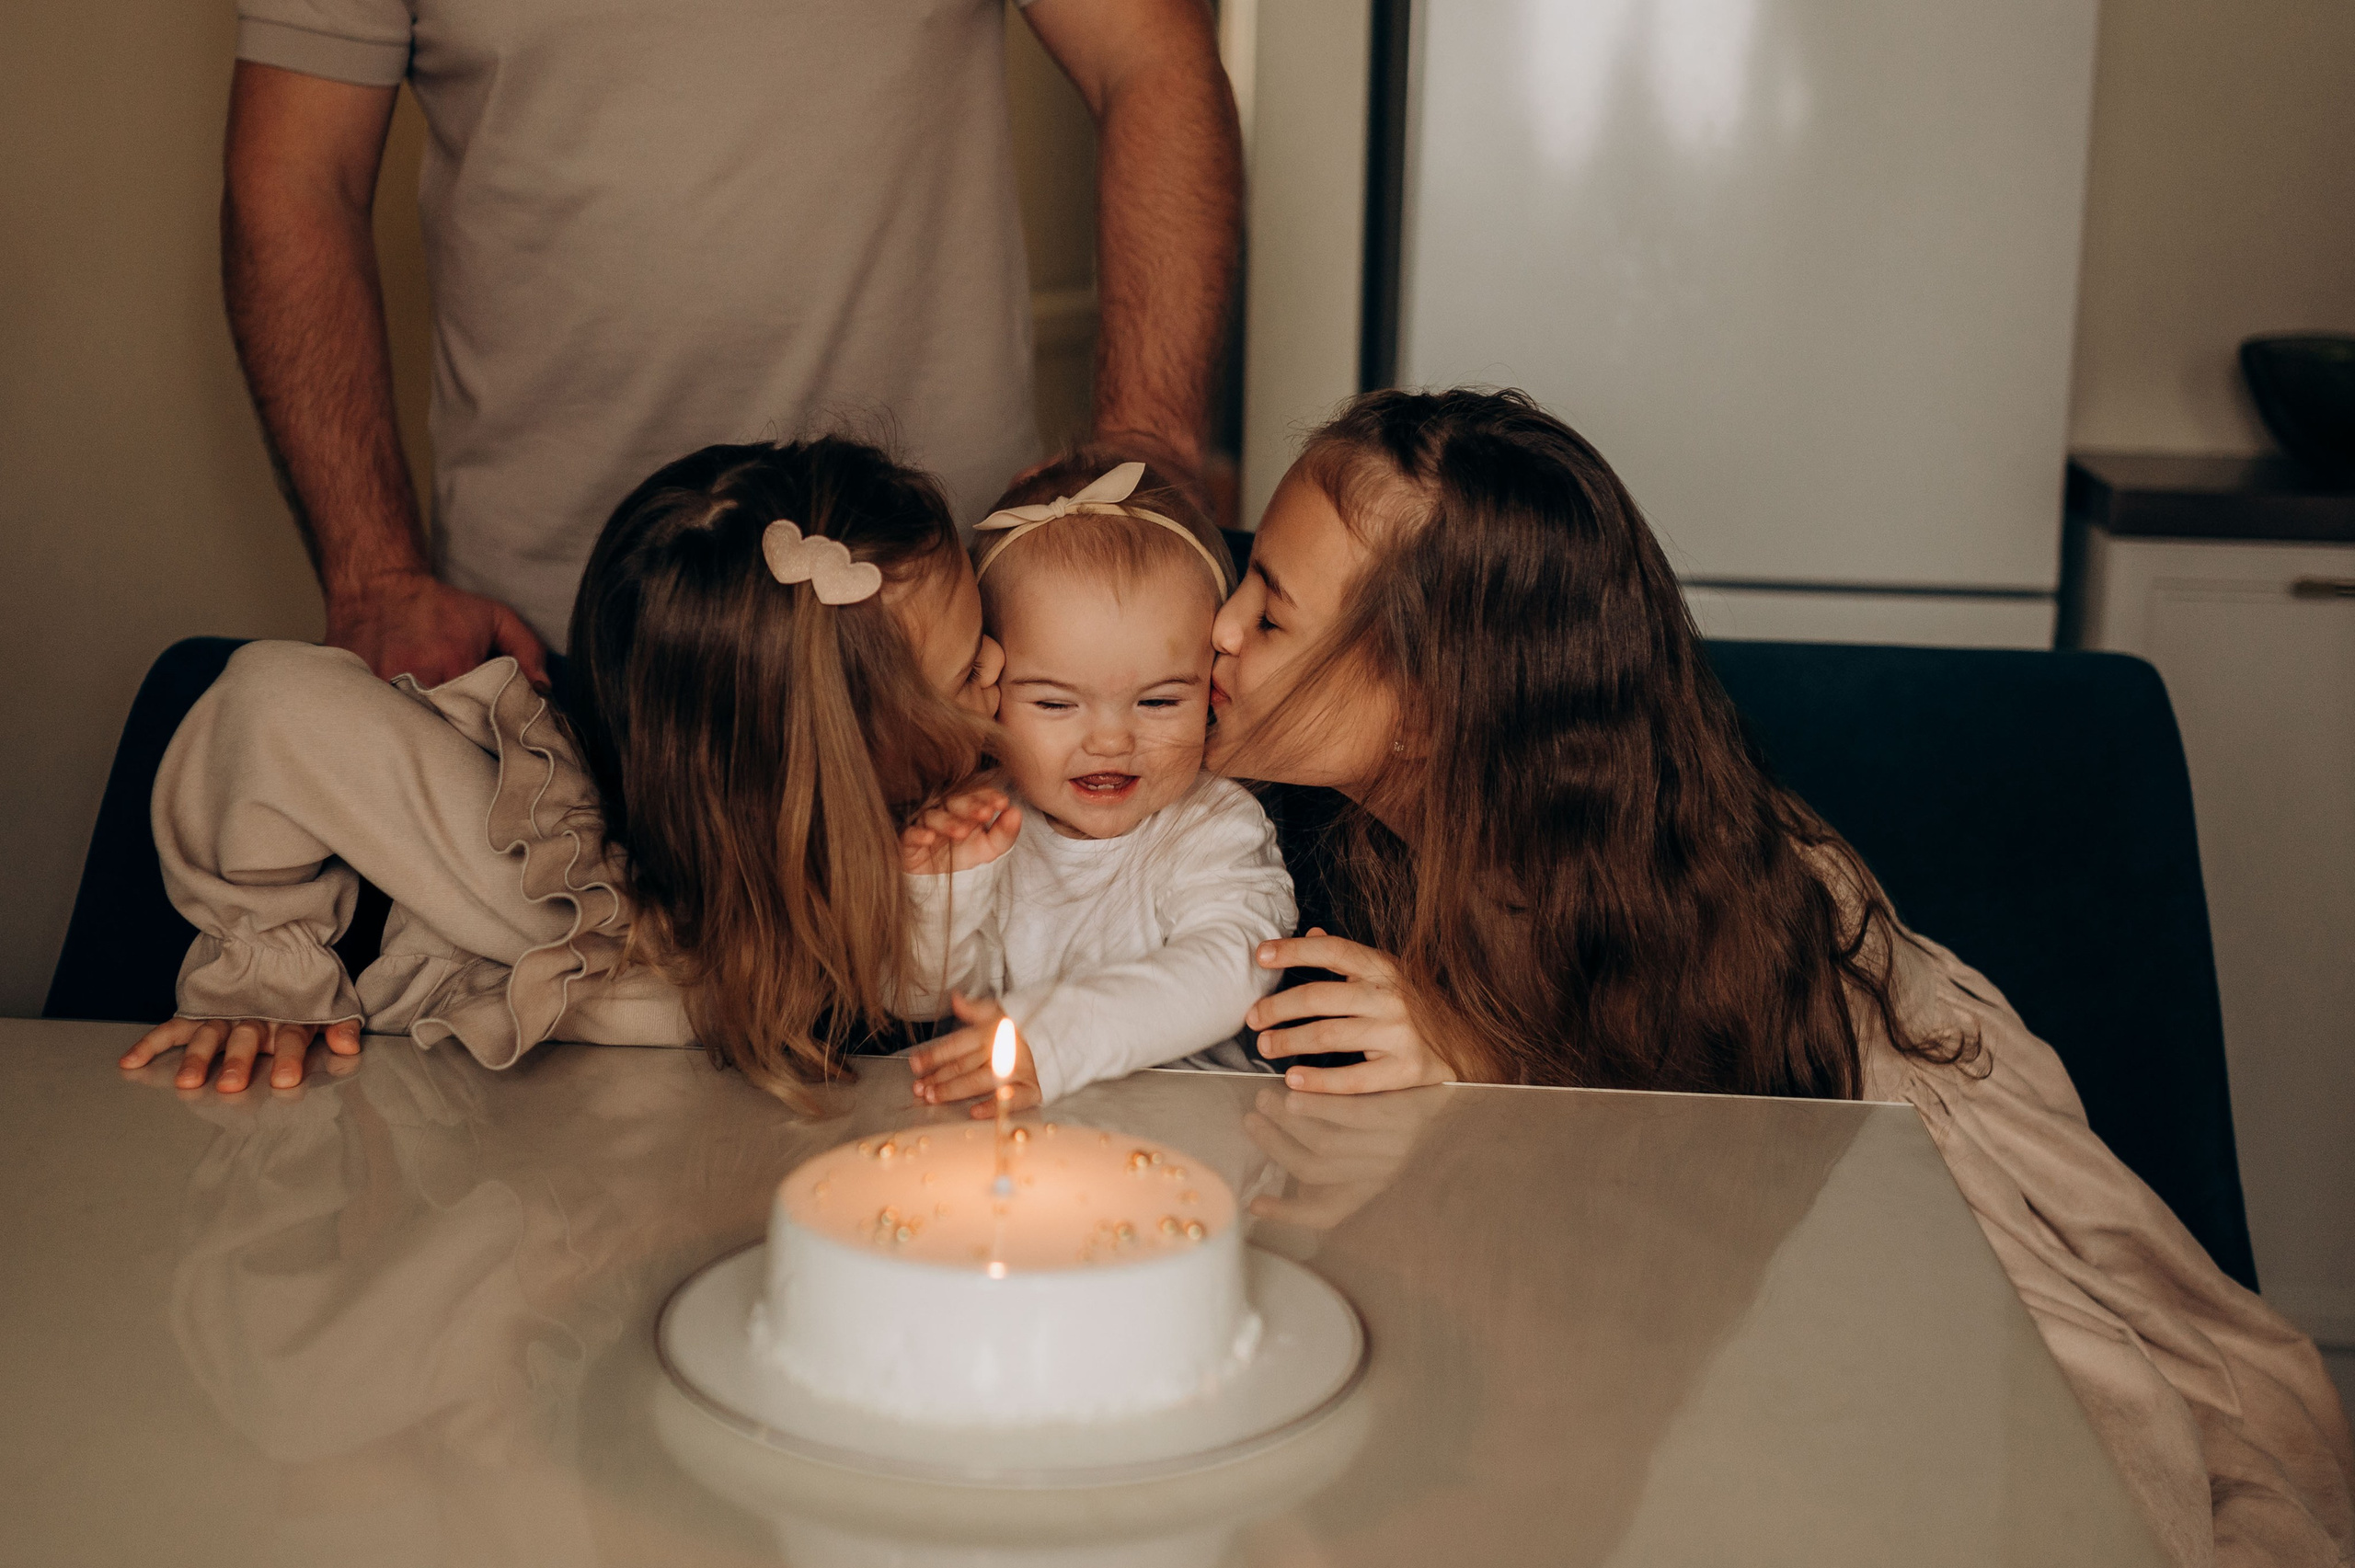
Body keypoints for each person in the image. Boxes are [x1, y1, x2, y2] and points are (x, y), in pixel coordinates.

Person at [1208, 388, 2354, 1568]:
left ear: (1428, 707)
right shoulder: (1303, 815)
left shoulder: (1663, 879)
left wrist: (1485, 1045)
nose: (1217, 630)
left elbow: (1749, 1120)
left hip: (1871, 1145)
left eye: (1270, 616)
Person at [223, 0, 1242, 687]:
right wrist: (373, 578)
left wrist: (1149, 437)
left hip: (943, 632)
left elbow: (1149, 56)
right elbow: (295, 184)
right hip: (550, 655)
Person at [121, 437, 1004, 1106]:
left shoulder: (965, 820)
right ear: (829, 764)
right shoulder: (528, 862)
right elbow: (272, 708)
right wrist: (262, 961)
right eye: (971, 668)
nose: (1007, 664)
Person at [895, 453, 1292, 1111]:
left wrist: (1058, 1036)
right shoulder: (984, 817)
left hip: (1190, 1140)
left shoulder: (1214, 824)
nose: (1111, 741)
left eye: (1160, 701)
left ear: (1212, 686)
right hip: (1012, 1144)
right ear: (990, 683)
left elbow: (1235, 967)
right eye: (1055, 704)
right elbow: (915, 1000)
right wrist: (940, 892)